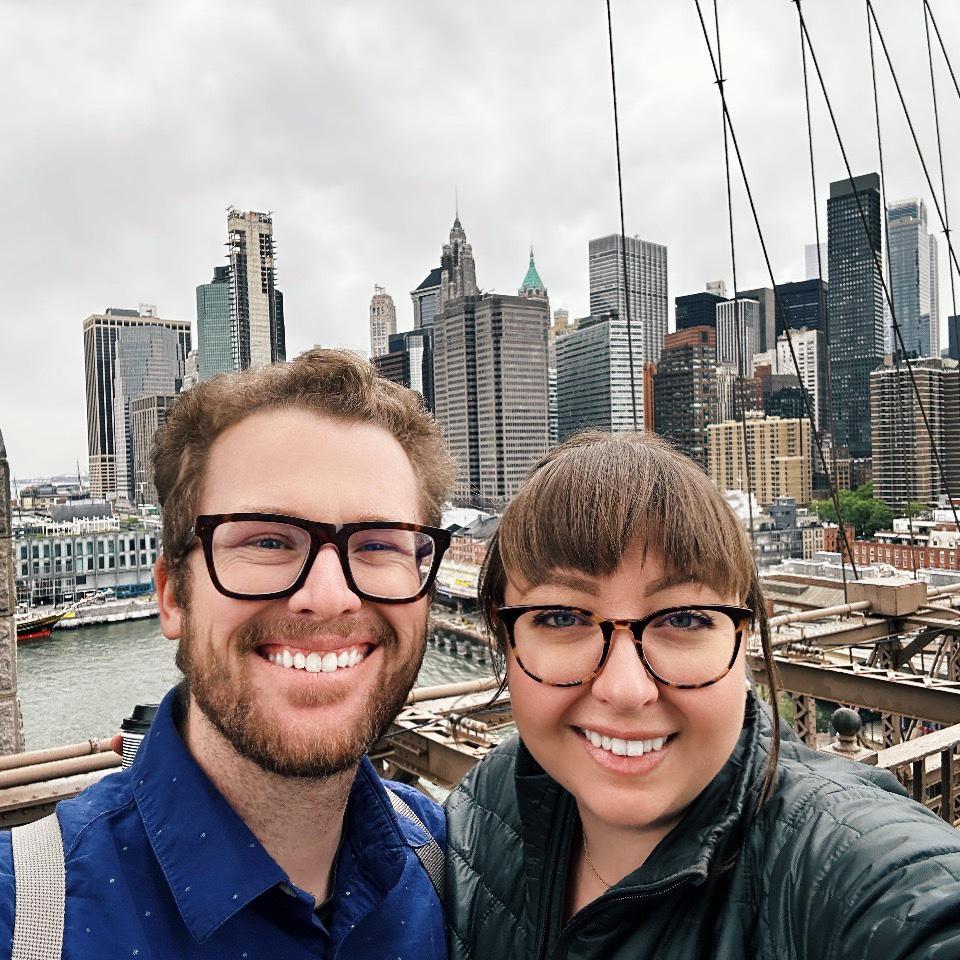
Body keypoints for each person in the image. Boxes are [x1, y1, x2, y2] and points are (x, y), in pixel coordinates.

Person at [0, 349, 455, 958]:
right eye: (268, 540)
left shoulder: (451, 866)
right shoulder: (29, 914)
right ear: (172, 597)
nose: (329, 597)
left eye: (378, 544)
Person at [445, 431, 960, 959]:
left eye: (685, 618)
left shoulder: (849, 863)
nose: (626, 690)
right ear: (503, 635)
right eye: (560, 617)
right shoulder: (487, 800)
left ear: (746, 638)